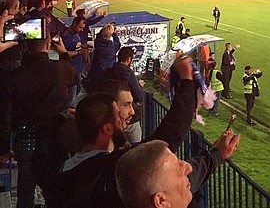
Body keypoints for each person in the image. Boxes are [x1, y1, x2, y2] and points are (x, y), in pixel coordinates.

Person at [39, 52, 197, 208]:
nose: (127, 115)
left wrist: (59, 120)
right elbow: (168, 135)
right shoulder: (111, 168)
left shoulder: (57, 170)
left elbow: (42, 150)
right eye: (117, 117)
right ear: (107, 129)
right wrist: (187, 79)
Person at [0, 36, 68, 208]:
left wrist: (3, 148)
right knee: (56, 187)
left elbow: (5, 118)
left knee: (25, 187)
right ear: (47, 45)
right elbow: (73, 76)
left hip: (25, 141)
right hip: (54, 140)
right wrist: (64, 53)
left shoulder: (12, 77)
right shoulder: (59, 69)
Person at [115, 130, 240, 208]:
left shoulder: (171, 192)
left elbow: (191, 176)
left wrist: (217, 155)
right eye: (178, 171)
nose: (189, 167)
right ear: (161, 201)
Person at [103, 47, 145, 144]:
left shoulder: (108, 71)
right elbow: (140, 95)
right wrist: (140, 86)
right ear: (129, 59)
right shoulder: (128, 72)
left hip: (111, 116)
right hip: (130, 121)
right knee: (136, 147)